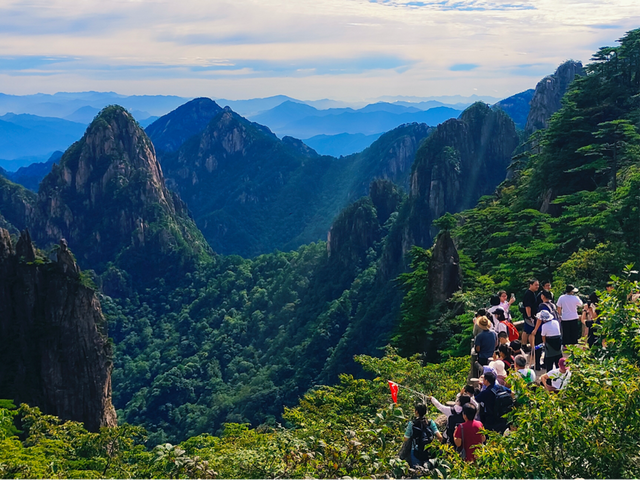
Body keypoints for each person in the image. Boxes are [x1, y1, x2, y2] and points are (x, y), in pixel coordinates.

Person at [522, 279, 540, 354]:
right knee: (530, 331)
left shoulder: (532, 293)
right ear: (531, 285)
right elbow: (527, 306)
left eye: (538, 285)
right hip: (530, 316)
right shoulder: (529, 294)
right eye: (535, 285)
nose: (537, 286)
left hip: (531, 316)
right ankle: (532, 347)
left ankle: (524, 345)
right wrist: (529, 316)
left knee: (526, 330)